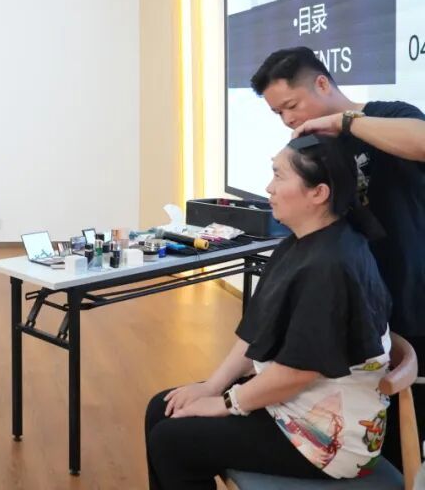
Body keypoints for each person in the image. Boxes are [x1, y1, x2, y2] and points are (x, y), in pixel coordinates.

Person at [145, 135, 392, 488]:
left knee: (172, 442)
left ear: (318, 193)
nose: (268, 188)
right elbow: (258, 333)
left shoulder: (331, 265)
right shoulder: (299, 243)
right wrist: (213, 386)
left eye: (279, 176)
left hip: (328, 437)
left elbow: (299, 372)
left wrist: (226, 402)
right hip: (293, 402)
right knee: (162, 407)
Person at [251, 46, 425, 466]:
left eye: (291, 106)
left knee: (408, 424)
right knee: (364, 423)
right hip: (357, 298)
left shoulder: (388, 114)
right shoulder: (316, 146)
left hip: (411, 293)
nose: (287, 119)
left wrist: (343, 122)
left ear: (322, 83)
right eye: (278, 113)